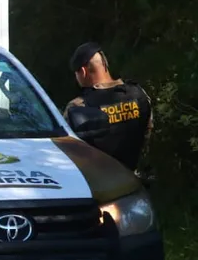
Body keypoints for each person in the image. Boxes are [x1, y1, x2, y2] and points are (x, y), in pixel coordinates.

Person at [63, 42, 154, 172]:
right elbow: (147, 137)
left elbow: (68, 156)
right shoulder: (139, 94)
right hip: (134, 180)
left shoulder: (76, 108)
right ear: (105, 65)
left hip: (100, 185)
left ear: (83, 72)